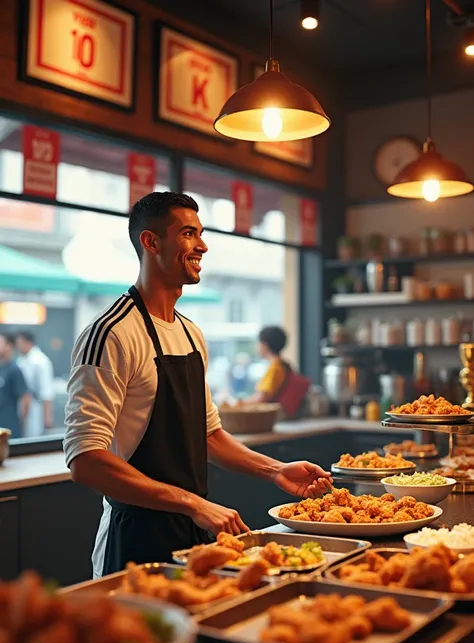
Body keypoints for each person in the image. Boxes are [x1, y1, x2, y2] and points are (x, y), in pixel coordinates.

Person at [64, 192, 332, 579]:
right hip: (135, 540)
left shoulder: (191, 334)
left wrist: (275, 470)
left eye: (201, 234)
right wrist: (191, 502)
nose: (202, 246)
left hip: (193, 533)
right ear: (151, 242)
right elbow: (85, 460)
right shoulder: (111, 334)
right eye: (189, 234)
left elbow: (208, 435)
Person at [251, 326, 311, 418]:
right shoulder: (284, 364)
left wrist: (238, 404)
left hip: (276, 417)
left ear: (265, 345)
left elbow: (262, 398)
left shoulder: (275, 368)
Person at [16, 331, 55, 437]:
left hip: (36, 407)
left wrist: (47, 418)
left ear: (28, 343)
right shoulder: (22, 360)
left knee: (33, 438)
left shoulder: (40, 361)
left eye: (19, 343)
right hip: (24, 405)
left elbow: (46, 391)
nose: (17, 346)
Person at [0, 333, 30, 439]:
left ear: (9, 346)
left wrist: (22, 423)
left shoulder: (14, 370)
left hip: (10, 427)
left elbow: (25, 398)